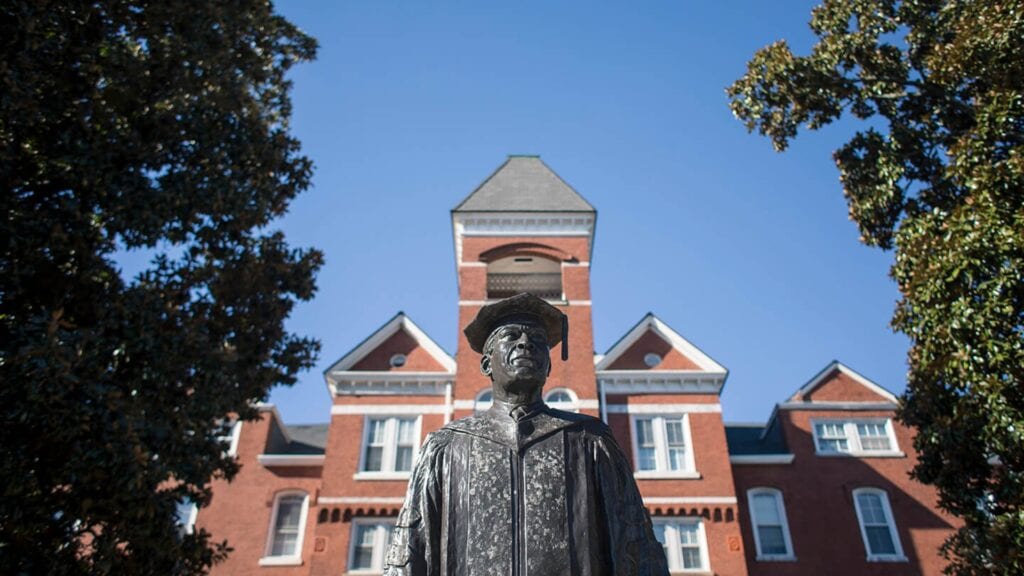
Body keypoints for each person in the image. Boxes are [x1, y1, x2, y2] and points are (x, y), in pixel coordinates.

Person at [383, 293, 668, 576]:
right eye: (511, 336)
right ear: (486, 364)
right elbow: (410, 548)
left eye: (538, 340)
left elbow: (635, 546)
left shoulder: (590, 440)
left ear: (549, 366)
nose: (525, 343)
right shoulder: (446, 447)